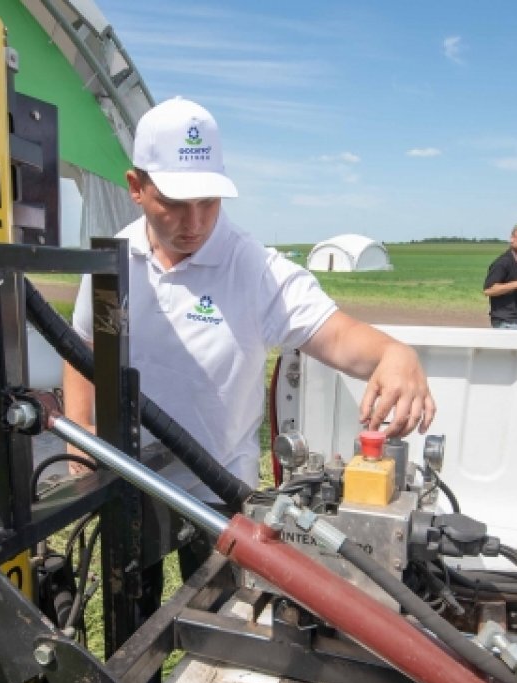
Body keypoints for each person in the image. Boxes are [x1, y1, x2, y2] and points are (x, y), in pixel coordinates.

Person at [64, 97, 435, 584]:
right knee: (133, 619)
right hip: (130, 480)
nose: (194, 223)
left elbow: (339, 335)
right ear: (136, 187)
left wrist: (394, 353)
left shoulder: (254, 270)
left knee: (219, 614)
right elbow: (87, 344)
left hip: (218, 488)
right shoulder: (117, 261)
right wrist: (79, 428)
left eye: (209, 203)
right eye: (174, 204)